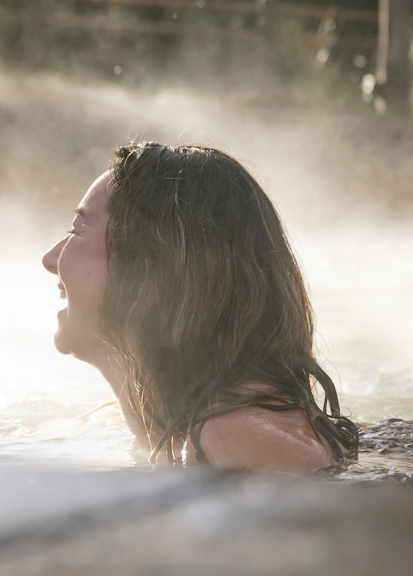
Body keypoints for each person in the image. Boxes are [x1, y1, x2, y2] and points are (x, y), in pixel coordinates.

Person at [41, 141, 358, 473]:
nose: (50, 259)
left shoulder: (235, 437)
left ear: (150, 268)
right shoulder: (145, 427)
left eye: (76, 229)